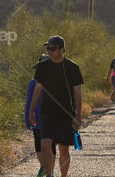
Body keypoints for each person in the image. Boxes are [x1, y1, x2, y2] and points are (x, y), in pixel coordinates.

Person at [29, 35, 83, 177]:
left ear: (62, 50)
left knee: (64, 150)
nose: (49, 51)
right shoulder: (42, 67)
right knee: (45, 144)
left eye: (52, 49)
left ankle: (63, 175)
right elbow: (37, 90)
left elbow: (77, 93)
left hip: (66, 114)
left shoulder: (72, 68)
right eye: (48, 48)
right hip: (47, 113)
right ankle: (49, 174)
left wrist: (78, 115)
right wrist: (31, 111)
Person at [25, 54, 55, 177]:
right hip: (39, 117)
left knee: (48, 145)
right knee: (41, 144)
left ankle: (48, 171)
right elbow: (29, 100)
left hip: (49, 117)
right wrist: (28, 117)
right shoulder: (33, 82)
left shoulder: (55, 82)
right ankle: (45, 168)